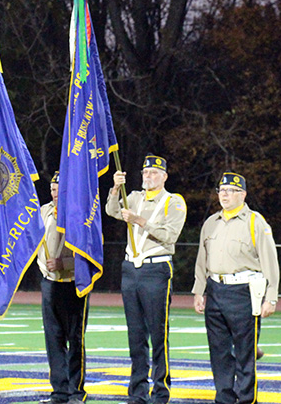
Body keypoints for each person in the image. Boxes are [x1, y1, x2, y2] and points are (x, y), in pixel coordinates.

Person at [192, 172, 280, 404]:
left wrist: (271, 297)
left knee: (244, 353)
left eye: (231, 191)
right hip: (215, 290)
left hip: (244, 291)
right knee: (219, 352)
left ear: (243, 194)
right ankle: (224, 399)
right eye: (222, 190)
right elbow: (203, 259)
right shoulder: (211, 222)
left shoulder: (255, 222)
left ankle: (246, 400)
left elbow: (270, 261)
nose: (225, 195)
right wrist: (199, 291)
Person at [105, 155, 186, 404]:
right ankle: (137, 390)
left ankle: (161, 391)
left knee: (158, 332)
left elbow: (170, 235)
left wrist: (140, 221)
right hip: (131, 269)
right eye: (145, 173)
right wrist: (116, 188)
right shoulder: (136, 196)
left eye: (153, 173)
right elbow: (111, 210)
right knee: (136, 334)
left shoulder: (173, 201)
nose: (148, 177)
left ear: (164, 176)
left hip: (156, 270)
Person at [37, 171, 88, 404]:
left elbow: (90, 250)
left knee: (74, 339)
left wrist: (64, 264)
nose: (54, 193)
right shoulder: (44, 210)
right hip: (49, 282)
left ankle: (76, 391)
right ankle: (59, 391)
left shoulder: (79, 212)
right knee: (53, 339)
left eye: (58, 189)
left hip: (72, 283)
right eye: (52, 189)